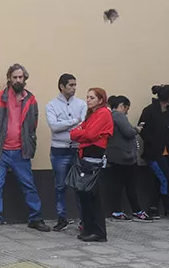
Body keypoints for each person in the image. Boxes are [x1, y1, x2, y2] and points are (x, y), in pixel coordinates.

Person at [0, 64, 51, 233]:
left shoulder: (31, 100)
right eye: (15, 77)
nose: (18, 80)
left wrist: (27, 140)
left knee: (29, 184)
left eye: (21, 77)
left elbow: (33, 123)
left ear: (25, 78)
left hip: (22, 150)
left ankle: (35, 218)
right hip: (2, 150)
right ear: (9, 79)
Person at [70, 88, 114, 242]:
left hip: (93, 158)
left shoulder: (103, 113)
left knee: (92, 195)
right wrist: (83, 132)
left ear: (100, 100)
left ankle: (99, 232)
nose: (88, 100)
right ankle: (88, 229)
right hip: (85, 156)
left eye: (92, 97)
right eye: (87, 97)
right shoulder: (92, 114)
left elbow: (89, 134)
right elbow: (74, 133)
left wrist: (83, 132)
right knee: (85, 194)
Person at [45, 73, 87, 231]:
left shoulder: (82, 104)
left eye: (75, 85)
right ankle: (61, 218)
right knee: (60, 186)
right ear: (62, 86)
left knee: (79, 186)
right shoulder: (52, 105)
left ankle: (83, 219)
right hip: (59, 150)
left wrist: (66, 124)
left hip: (76, 149)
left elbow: (84, 126)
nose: (74, 88)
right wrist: (74, 122)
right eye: (71, 85)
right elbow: (54, 127)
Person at [106, 96, 152, 222]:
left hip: (115, 157)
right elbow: (128, 132)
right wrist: (136, 130)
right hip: (125, 158)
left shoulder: (110, 116)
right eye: (127, 108)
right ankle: (137, 210)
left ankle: (117, 211)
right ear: (122, 105)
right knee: (130, 185)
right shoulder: (119, 116)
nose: (127, 112)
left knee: (117, 185)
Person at [139, 84, 169, 220]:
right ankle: (167, 207)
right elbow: (142, 130)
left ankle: (154, 207)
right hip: (154, 153)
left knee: (159, 179)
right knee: (165, 178)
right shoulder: (149, 111)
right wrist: (153, 143)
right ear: (168, 97)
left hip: (167, 152)